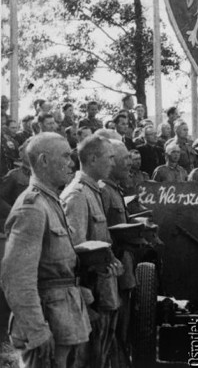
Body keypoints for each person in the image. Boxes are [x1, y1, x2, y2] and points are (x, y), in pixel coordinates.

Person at [1, 133, 91, 368]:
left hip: (62, 321)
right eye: (65, 156)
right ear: (43, 160)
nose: (72, 163)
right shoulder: (32, 208)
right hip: (46, 326)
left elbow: (56, 265)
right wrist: (37, 331)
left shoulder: (51, 201)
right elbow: (16, 278)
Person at [61, 135, 122, 368]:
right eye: (110, 157)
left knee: (101, 356)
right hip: (91, 297)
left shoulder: (93, 191)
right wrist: (85, 297)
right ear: (93, 158)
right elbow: (74, 252)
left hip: (102, 291)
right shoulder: (77, 195)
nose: (113, 163)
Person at [98, 140, 136, 364]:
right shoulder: (103, 191)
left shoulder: (114, 189)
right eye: (125, 160)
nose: (129, 164)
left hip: (123, 268)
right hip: (113, 269)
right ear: (111, 162)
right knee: (113, 332)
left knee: (123, 328)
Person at [0, 141, 31, 225]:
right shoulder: (14, 175)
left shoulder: (45, 175)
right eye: (28, 152)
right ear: (21, 155)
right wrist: (15, 214)